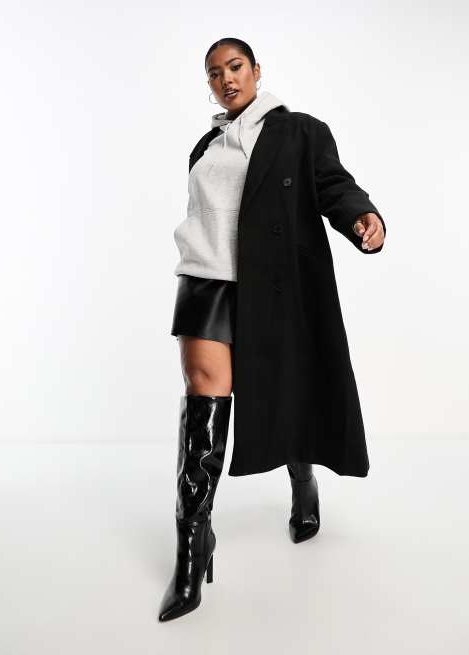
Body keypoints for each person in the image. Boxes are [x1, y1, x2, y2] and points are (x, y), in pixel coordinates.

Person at [158, 37, 386, 622]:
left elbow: (332, 184)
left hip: (273, 283)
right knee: (203, 398)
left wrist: (362, 216)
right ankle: (192, 547)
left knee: (286, 389)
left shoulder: (300, 131)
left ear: (257, 70)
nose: (226, 80)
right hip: (205, 279)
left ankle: (302, 477)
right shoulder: (207, 144)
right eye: (215, 74)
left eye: (235, 67)